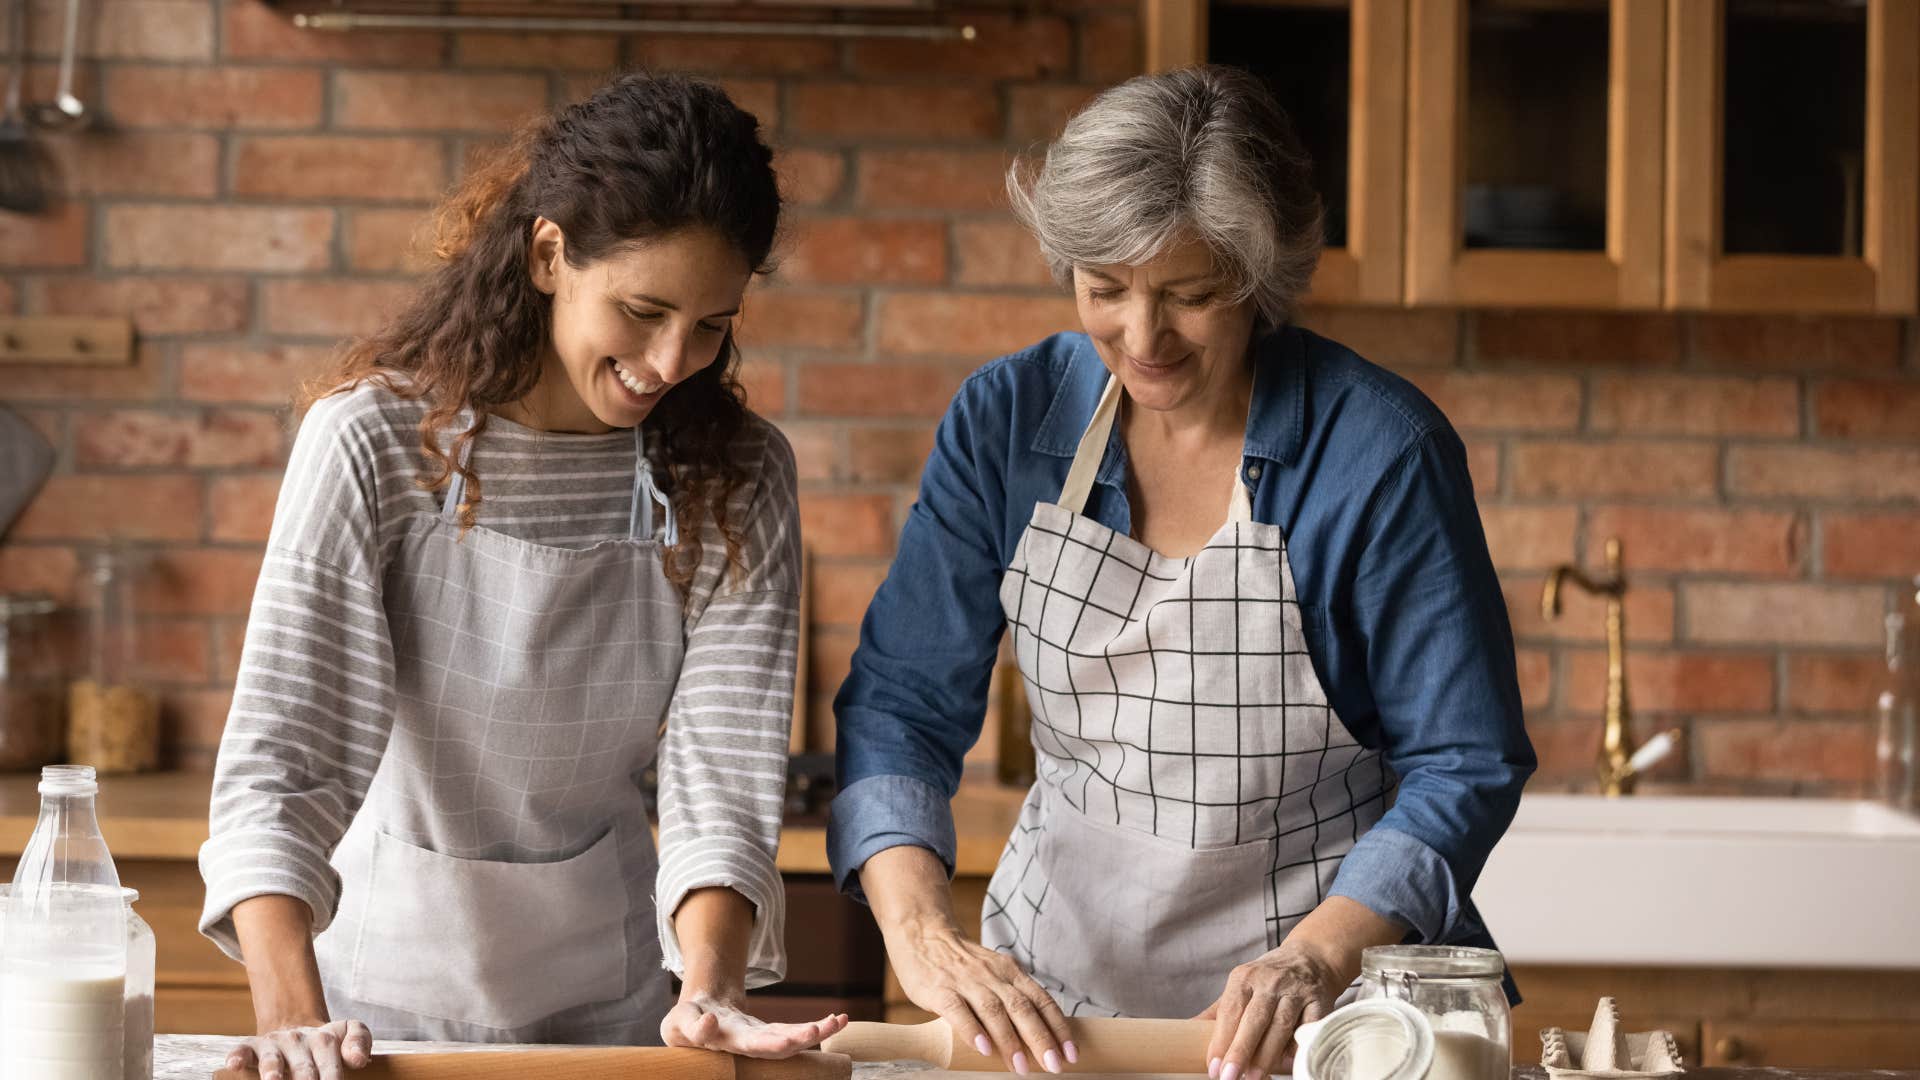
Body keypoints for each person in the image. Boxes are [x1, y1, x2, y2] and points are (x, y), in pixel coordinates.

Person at [829, 65, 1535, 1080]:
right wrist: (921, 939)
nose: (1142, 337)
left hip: (1322, 1019)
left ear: (1258, 281)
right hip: (1053, 1014)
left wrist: (1312, 959)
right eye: (1105, 289)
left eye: (1189, 296)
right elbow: (902, 703)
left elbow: (1464, 761)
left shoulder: (1382, 454)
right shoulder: (1008, 422)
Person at [198, 73, 846, 1078]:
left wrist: (709, 989)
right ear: (549, 256)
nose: (674, 360)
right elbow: (285, 766)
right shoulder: (375, 443)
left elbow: (721, 772)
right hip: (371, 1023)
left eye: (712, 324)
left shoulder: (738, 472)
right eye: (643, 310)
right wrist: (293, 1019)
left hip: (615, 1019)